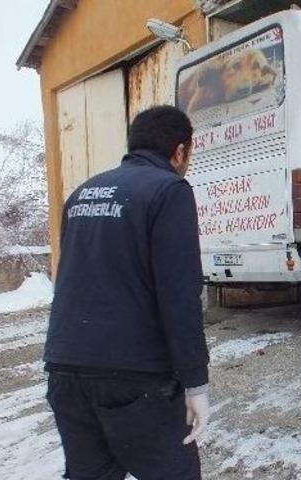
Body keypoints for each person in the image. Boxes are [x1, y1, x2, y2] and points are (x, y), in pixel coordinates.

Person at [44, 106, 210, 479]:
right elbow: (180, 294)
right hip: (133, 380)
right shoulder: (168, 190)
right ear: (179, 151)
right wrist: (195, 380)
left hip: (65, 371)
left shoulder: (81, 195)